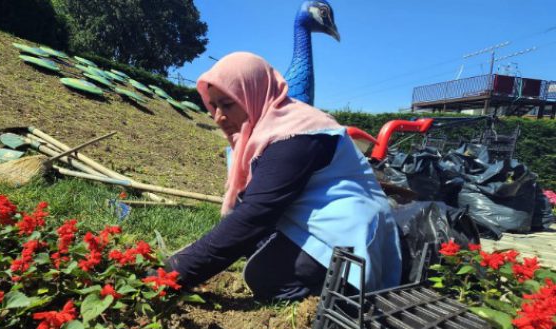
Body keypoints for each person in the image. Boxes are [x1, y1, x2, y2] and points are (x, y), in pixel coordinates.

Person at [163, 52, 401, 302]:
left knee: (264, 275)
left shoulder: (296, 136)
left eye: (228, 104)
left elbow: (255, 216)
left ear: (252, 94)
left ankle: (330, 299)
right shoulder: (264, 131)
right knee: (251, 246)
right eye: (214, 105)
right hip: (310, 219)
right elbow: (249, 210)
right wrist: (186, 258)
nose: (218, 116)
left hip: (346, 234)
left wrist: (173, 273)